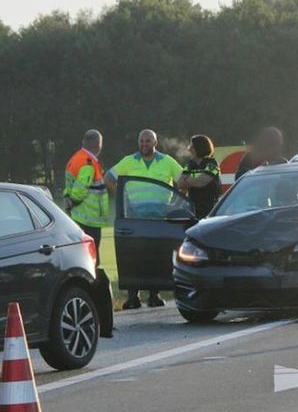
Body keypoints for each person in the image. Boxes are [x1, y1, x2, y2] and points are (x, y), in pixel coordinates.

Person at [106, 129, 184, 309]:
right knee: (132, 257)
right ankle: (133, 297)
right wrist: (122, 199)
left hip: (160, 218)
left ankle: (154, 295)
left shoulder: (167, 162)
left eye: (148, 141)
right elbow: (108, 178)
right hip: (134, 218)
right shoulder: (128, 161)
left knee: (155, 256)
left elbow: (183, 182)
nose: (144, 144)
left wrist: (176, 205)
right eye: (141, 141)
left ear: (155, 143)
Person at [63, 129, 110, 259]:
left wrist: (68, 201)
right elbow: (81, 189)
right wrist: (73, 201)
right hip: (89, 218)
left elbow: (70, 185)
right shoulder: (88, 162)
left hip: (78, 216)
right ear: (98, 145)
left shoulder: (76, 158)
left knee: (80, 254)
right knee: (91, 257)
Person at [177, 134, 221, 218]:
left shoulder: (212, 163)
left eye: (192, 147)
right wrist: (194, 181)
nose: (189, 149)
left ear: (199, 147)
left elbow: (201, 182)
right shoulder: (190, 164)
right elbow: (180, 184)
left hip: (210, 209)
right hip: (193, 209)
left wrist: (187, 180)